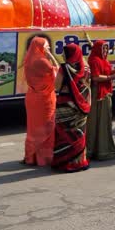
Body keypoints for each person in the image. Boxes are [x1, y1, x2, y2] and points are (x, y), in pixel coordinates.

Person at [52, 43, 91, 172]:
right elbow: (88, 86)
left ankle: (64, 161)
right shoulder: (85, 68)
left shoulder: (65, 68)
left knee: (65, 132)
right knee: (79, 132)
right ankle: (79, 161)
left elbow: (56, 86)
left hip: (66, 104)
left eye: (64, 52)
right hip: (82, 105)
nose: (63, 55)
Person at [23, 36, 60, 167]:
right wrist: (51, 55)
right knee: (47, 128)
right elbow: (58, 71)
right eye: (47, 47)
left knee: (33, 129)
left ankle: (31, 157)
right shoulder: (42, 61)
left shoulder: (29, 60)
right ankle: (44, 158)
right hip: (45, 99)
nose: (49, 49)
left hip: (32, 97)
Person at [86, 40, 115, 161]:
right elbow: (95, 77)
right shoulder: (94, 60)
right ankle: (95, 151)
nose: (105, 51)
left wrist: (114, 71)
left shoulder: (104, 60)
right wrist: (112, 77)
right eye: (103, 49)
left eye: (106, 49)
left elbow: (105, 72)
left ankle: (102, 150)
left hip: (105, 92)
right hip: (98, 94)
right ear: (97, 50)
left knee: (104, 122)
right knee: (96, 122)